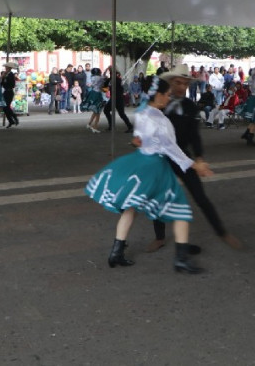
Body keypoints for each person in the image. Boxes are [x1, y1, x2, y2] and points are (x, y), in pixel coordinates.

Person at [85, 77, 213, 274]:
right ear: (159, 95)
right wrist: (195, 165)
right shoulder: (161, 120)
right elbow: (173, 150)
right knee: (180, 210)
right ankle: (181, 259)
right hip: (155, 167)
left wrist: (141, 142)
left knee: (130, 207)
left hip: (139, 163)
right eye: (167, 95)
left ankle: (116, 252)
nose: (169, 99)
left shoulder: (142, 111)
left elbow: (138, 139)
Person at [143, 66, 242, 253]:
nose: (182, 87)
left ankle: (222, 232)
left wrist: (199, 158)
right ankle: (160, 237)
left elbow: (195, 136)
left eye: (186, 83)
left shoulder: (190, 106)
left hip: (183, 157)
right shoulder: (159, 103)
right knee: (157, 197)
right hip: (161, 157)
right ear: (170, 83)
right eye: (178, 83)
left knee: (200, 195)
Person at [238, 60, 255, 145]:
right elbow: (253, 73)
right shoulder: (254, 80)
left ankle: (247, 135)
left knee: (254, 120)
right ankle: (249, 137)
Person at [82, 68, 105, 133]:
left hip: (93, 93)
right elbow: (103, 86)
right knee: (98, 111)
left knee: (95, 111)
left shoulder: (92, 77)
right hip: (98, 94)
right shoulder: (101, 78)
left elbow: (90, 85)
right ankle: (95, 127)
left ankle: (89, 124)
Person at [0, 63, 20, 128]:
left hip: (9, 91)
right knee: (4, 108)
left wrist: (6, 80)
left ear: (9, 68)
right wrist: (3, 77)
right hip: (5, 91)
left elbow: (12, 85)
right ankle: (11, 121)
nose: (6, 69)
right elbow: (1, 83)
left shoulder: (11, 75)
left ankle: (14, 118)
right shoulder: (5, 74)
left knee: (7, 106)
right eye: (6, 68)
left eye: (7, 68)